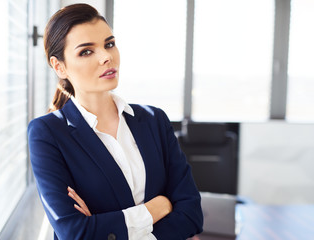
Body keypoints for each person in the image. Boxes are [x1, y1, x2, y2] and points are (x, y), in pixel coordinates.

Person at [28, 3, 203, 240]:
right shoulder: (47, 133)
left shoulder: (154, 120)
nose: (106, 57)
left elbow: (191, 214)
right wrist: (158, 207)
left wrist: (104, 225)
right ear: (59, 66)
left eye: (109, 44)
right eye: (86, 51)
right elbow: (74, 232)